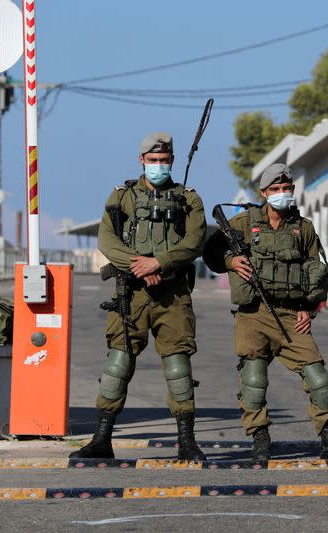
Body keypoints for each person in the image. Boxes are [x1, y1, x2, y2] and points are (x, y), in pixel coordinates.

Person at [71, 132, 207, 461]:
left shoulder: (188, 198)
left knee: (178, 365)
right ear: (141, 160)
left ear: (172, 160)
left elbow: (195, 241)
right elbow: (108, 239)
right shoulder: (123, 196)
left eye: (164, 160)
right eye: (153, 160)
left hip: (171, 294)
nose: (158, 165)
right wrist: (141, 267)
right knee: (118, 363)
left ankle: (186, 442)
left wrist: (159, 262)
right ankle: (102, 438)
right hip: (130, 293)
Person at [203, 163, 328, 462]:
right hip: (254, 315)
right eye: (275, 190)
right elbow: (210, 253)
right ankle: (260, 439)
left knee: (319, 378)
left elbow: (317, 270)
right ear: (263, 193)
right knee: (254, 380)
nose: (282, 194)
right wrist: (231, 262)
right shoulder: (243, 222)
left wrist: (310, 308)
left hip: (291, 314)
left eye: (287, 189)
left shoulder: (303, 227)